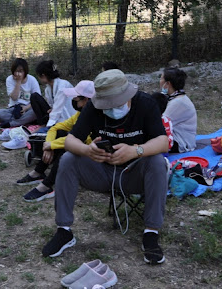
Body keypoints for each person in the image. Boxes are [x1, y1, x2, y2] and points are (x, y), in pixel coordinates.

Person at [41, 69, 168, 265]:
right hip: (102, 171)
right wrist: (87, 150)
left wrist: (136, 151)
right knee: (68, 159)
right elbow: (70, 140)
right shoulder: (93, 107)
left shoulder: (146, 104)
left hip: (134, 173)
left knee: (157, 162)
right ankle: (64, 231)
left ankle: (151, 233)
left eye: (114, 105)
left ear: (127, 96)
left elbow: (163, 142)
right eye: (106, 105)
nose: (110, 109)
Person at [16, 80, 95, 202]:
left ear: (87, 101)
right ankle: (39, 172)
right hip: (79, 146)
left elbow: (82, 140)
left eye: (76, 99)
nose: (73, 101)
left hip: (90, 155)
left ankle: (46, 186)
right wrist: (49, 145)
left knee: (69, 149)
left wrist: (51, 145)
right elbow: (55, 128)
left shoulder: (95, 117)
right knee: (59, 133)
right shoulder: (80, 114)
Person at [0, 58, 41, 128]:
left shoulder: (32, 79)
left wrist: (25, 108)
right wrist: (18, 82)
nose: (18, 73)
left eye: (21, 71)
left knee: (36, 112)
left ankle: (12, 123)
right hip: (14, 108)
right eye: (16, 71)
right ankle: (26, 120)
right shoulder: (9, 79)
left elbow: (38, 99)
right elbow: (14, 98)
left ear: (25, 71)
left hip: (28, 107)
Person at [159, 67, 197, 152]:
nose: (159, 81)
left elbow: (160, 123)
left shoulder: (178, 103)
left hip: (182, 142)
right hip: (176, 136)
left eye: (161, 78)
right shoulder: (175, 98)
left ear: (167, 84)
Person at [34, 60, 76, 127]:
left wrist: (49, 126)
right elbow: (53, 106)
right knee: (34, 97)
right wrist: (52, 109)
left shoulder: (63, 86)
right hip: (58, 115)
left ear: (43, 76)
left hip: (68, 116)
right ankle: (43, 125)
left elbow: (58, 109)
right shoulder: (48, 89)